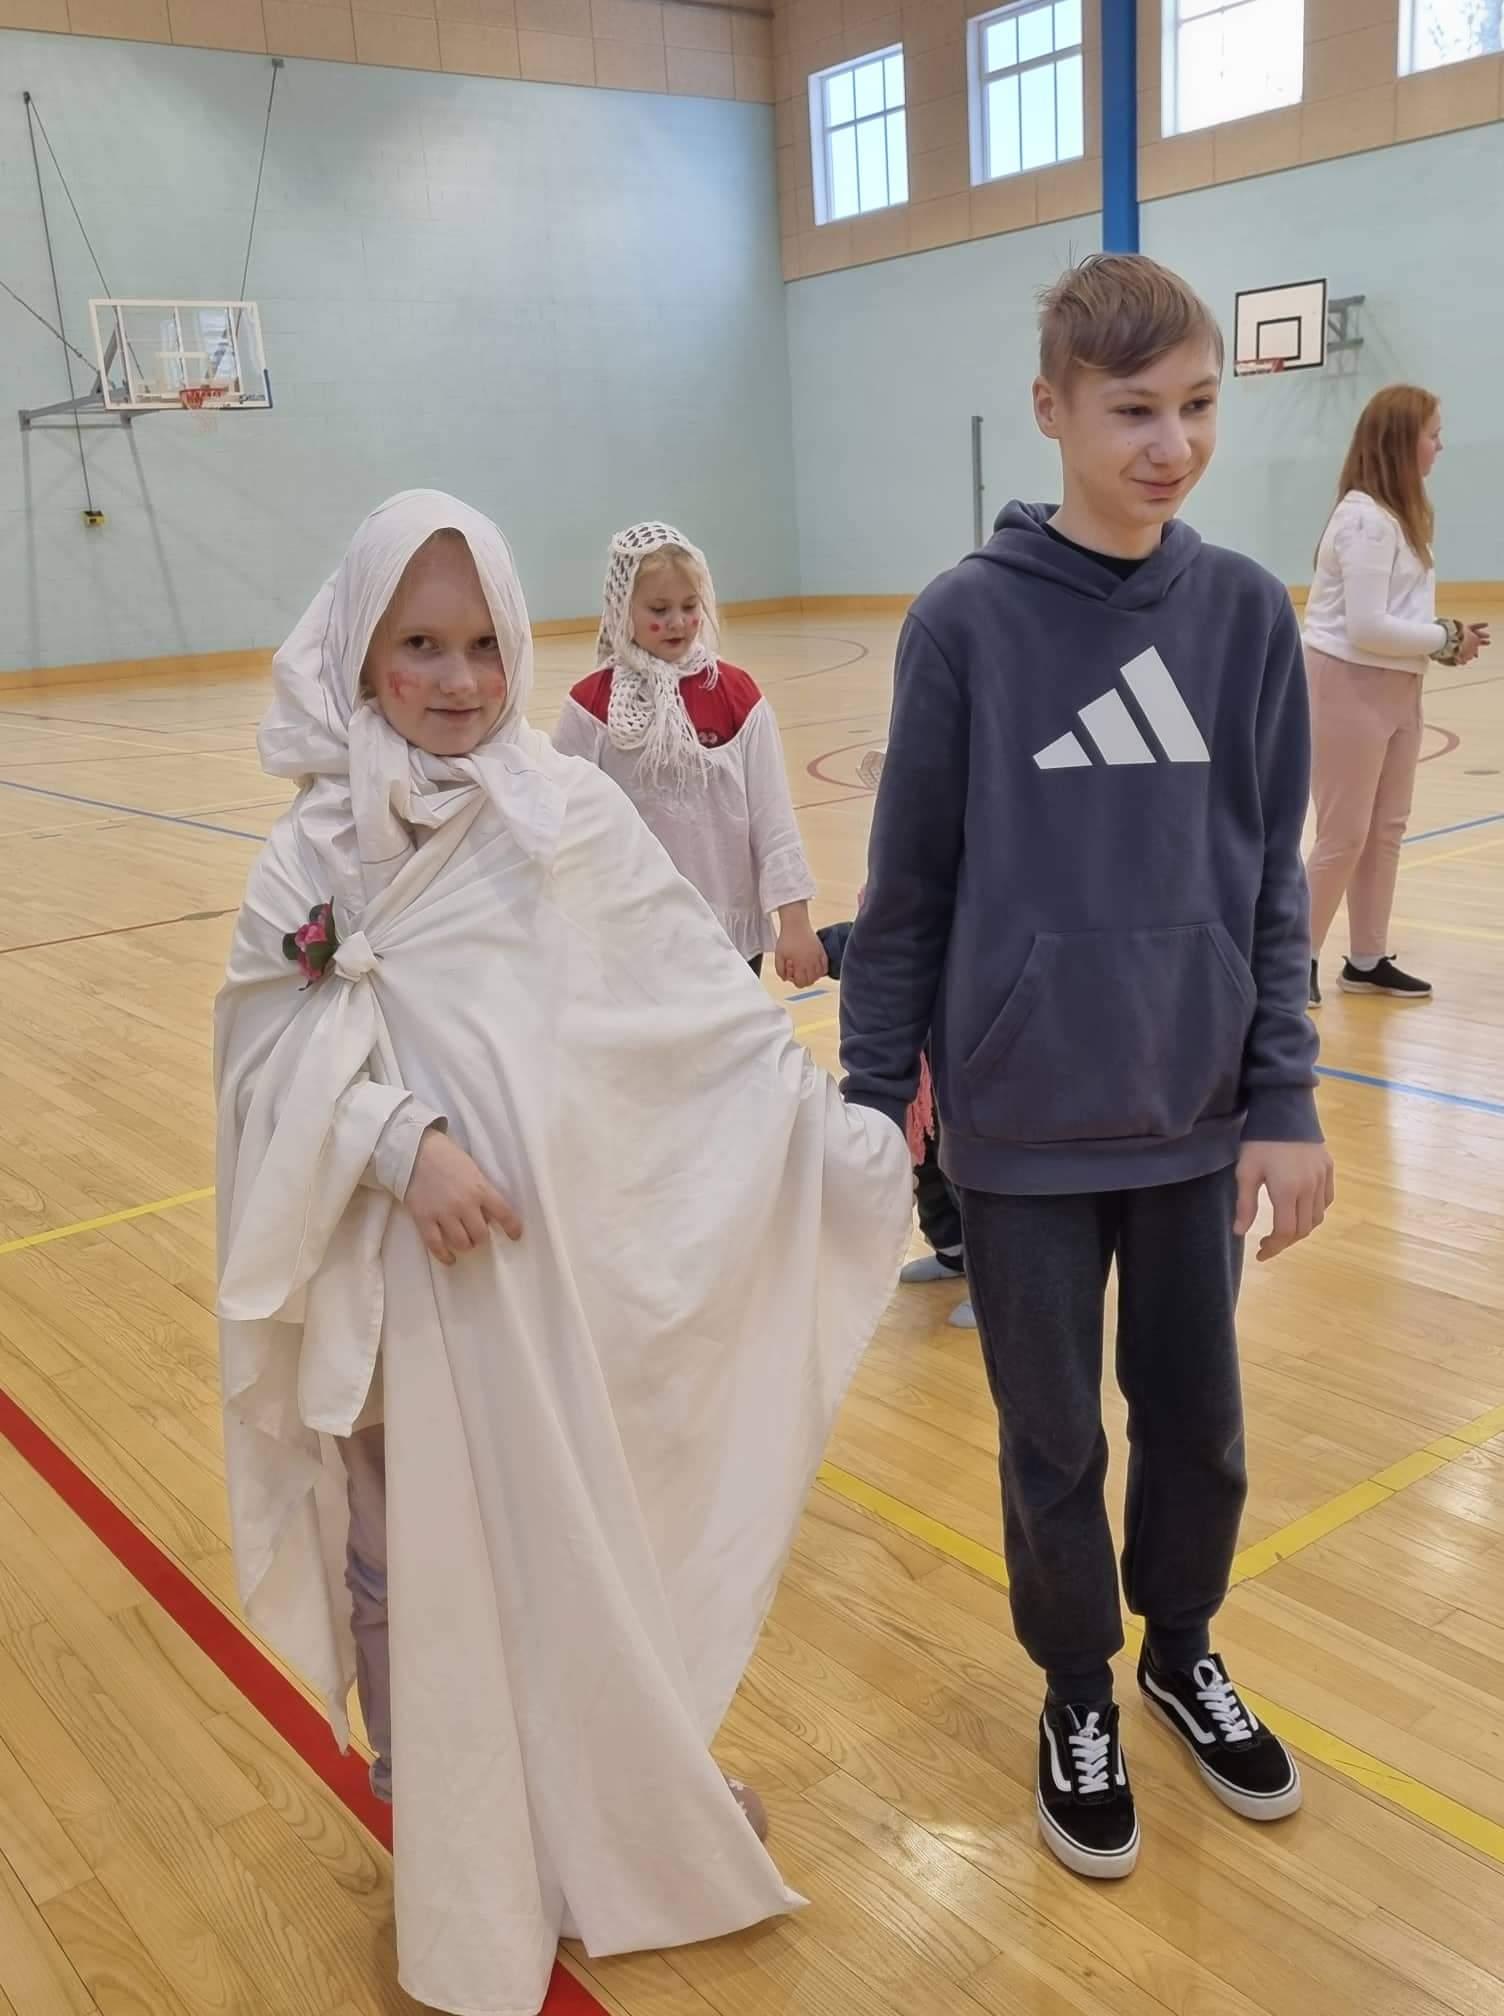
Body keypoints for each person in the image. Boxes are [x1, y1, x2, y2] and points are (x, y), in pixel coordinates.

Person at [214, 491, 912, 2016]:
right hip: (395, 1299)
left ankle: (612, 1792)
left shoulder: (564, 812)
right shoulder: (311, 849)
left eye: (482, 644)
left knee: (568, 1532)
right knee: (406, 1567)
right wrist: (399, 1143)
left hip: (542, 1293)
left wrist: (826, 1130)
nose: (457, 679)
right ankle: (459, 1841)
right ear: (361, 648)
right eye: (419, 645)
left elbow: (686, 1003)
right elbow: (266, 1066)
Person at [838, 256, 1335, 1882]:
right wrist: (868, 1109)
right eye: (1131, 411)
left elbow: (1269, 882)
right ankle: (1075, 1691)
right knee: (1050, 1445)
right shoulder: (965, 623)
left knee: (1195, 1426)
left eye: (1195, 406)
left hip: (1195, 1120)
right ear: (1049, 409)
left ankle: (1179, 1651)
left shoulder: (1245, 615)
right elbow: (905, 894)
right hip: (1020, 1133)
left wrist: (1283, 1099)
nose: (1169, 444)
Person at [553, 521, 827, 986]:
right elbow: (563, 824)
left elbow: (773, 816)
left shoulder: (737, 695)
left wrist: (794, 921)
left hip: (725, 934)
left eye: (689, 606)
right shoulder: (590, 706)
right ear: (622, 609)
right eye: (659, 609)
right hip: (629, 935)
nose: (678, 621)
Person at [1302, 386, 1489, 1006]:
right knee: (1343, 835)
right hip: (1346, 682)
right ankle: (1291, 962)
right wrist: (1443, 637)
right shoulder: (1363, 519)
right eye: (1433, 434)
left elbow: (1396, 620)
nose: (1441, 445)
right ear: (1402, 441)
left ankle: (1366, 959)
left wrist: (1441, 641)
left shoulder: (1398, 517)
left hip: (1397, 687)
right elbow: (1365, 627)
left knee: (1385, 830)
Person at [820, 911, 973, 1328]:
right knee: (925, 1168)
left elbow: (905, 936)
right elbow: (878, 936)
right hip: (913, 1073)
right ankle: (951, 1250)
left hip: (954, 1068)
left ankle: (992, 1284)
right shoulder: (893, 899)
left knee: (964, 1180)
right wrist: (824, 949)